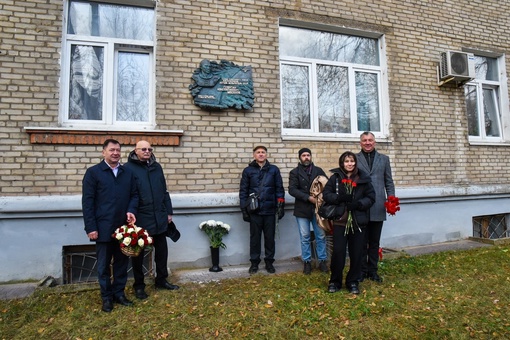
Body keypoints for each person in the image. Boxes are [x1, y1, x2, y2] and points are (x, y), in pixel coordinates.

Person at [82, 139, 139, 312]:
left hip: (123, 228)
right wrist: (91, 227)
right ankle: (106, 298)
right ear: (103, 152)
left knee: (122, 263)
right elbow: (88, 202)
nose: (115, 153)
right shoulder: (93, 173)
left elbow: (134, 195)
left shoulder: (126, 172)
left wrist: (131, 210)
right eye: (111, 150)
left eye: (118, 150)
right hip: (103, 228)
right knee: (103, 266)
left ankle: (119, 294)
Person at [123, 140, 179, 300]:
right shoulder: (128, 169)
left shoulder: (157, 167)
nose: (147, 151)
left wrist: (168, 212)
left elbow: (164, 191)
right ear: (136, 151)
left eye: (149, 149)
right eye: (143, 149)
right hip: (141, 218)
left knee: (162, 251)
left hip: (159, 217)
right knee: (138, 255)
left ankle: (161, 280)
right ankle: (139, 286)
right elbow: (127, 194)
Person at [323, 151, 375, 294]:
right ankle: (335, 281)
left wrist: (358, 204)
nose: (349, 164)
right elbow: (326, 194)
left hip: (358, 222)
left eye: (352, 161)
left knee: (357, 253)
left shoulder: (363, 178)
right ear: (342, 163)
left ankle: (353, 281)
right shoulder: (335, 178)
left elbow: (371, 198)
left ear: (355, 162)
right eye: (346, 161)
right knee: (338, 253)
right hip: (340, 222)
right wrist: (340, 198)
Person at [239, 146, 285, 274]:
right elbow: (243, 191)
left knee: (270, 238)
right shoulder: (248, 171)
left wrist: (281, 207)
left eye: (263, 152)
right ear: (254, 155)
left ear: (266, 155)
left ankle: (269, 262)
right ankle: (254, 263)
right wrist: (244, 209)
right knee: (255, 239)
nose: (260, 154)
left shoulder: (274, 170)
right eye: (258, 152)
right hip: (254, 211)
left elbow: (279, 189)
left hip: (270, 210)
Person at [356, 132, 395, 282]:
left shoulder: (384, 159)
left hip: (378, 205)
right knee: (361, 242)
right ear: (360, 143)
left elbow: (389, 182)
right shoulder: (355, 159)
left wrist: (391, 200)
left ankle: (373, 271)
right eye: (364, 140)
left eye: (370, 140)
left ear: (375, 142)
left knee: (374, 242)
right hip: (361, 206)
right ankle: (361, 271)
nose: (367, 143)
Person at [288, 148, 329, 274]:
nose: (306, 157)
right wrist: (308, 197)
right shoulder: (294, 172)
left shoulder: (319, 171)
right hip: (302, 210)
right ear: (300, 157)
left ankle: (322, 261)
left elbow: (327, 185)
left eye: (308, 155)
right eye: (304, 155)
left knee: (321, 236)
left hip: (318, 210)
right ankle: (307, 262)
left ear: (311, 157)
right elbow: (292, 190)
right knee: (305, 236)